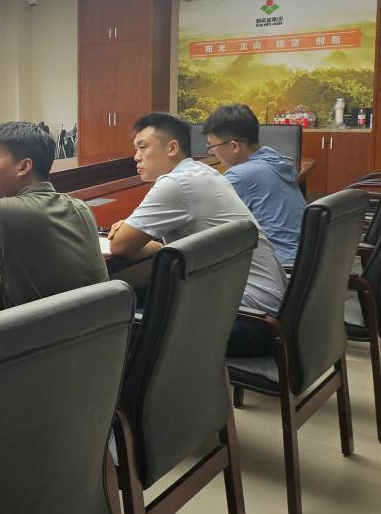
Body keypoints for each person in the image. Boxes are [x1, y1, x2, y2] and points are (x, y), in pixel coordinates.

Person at [107, 112, 287, 356]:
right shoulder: (203, 172)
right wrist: (149, 242)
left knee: (116, 328)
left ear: (172, 148)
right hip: (269, 312)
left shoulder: (176, 183)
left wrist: (140, 238)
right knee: (142, 297)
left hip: (247, 320)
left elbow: (120, 246)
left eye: (143, 147)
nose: (136, 156)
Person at [0, 121, 108, 308]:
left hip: (44, 327)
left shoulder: (0, 212)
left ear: (24, 167)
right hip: (104, 325)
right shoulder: (80, 207)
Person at [203, 104, 306, 265]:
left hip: (280, 265)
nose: (211, 152)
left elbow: (204, 219)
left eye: (211, 146)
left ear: (234, 146)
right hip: (304, 257)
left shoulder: (240, 176)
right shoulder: (275, 159)